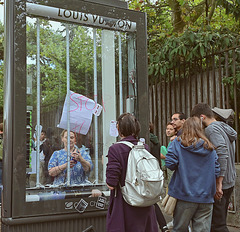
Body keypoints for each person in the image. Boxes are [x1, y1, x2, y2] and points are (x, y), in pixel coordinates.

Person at [165, 117, 220, 232]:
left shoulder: (178, 143)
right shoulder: (210, 147)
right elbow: (216, 170)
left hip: (184, 195)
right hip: (206, 197)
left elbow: (170, 164)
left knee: (179, 229)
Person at [106, 113, 158, 232]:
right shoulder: (144, 147)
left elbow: (111, 183)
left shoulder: (115, 149)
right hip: (144, 201)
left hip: (125, 205)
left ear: (119, 128)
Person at [191, 103, 237, 232]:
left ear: (202, 117)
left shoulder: (212, 129)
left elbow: (222, 152)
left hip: (221, 182)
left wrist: (219, 182)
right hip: (230, 179)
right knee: (219, 221)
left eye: (196, 120)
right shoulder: (224, 127)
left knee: (217, 225)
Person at [149, 123, 170, 232]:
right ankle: (163, 225)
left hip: (147, 173)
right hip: (155, 171)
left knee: (150, 201)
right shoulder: (156, 140)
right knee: (153, 201)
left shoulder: (146, 141)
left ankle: (161, 226)